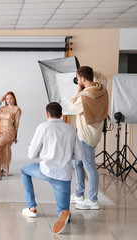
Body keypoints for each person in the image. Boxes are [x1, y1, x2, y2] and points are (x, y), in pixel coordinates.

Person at [21, 102, 83, 235]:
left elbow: (31, 154)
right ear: (61, 114)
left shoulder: (43, 127)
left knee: (24, 171)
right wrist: (65, 154)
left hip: (45, 170)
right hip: (64, 175)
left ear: (47, 114)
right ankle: (64, 213)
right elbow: (79, 155)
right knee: (63, 210)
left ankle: (31, 208)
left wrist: (43, 153)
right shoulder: (70, 128)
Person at [69, 66, 108, 210]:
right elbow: (102, 76)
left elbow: (71, 107)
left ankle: (93, 200)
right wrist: (88, 75)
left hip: (85, 135)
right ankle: (79, 194)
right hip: (93, 134)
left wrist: (79, 90)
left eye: (78, 78)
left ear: (83, 79)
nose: (77, 81)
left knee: (89, 167)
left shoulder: (85, 97)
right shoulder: (102, 89)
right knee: (77, 163)